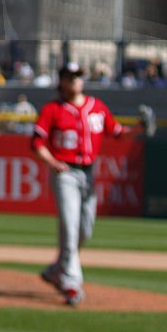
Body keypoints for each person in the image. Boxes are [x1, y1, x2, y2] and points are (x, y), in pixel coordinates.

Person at [32, 63, 124, 306]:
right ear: (61, 81)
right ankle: (72, 284)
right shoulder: (53, 109)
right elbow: (37, 143)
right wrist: (52, 162)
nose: (76, 81)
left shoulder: (97, 108)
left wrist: (141, 128)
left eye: (78, 77)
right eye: (71, 77)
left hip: (89, 173)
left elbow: (117, 132)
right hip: (65, 173)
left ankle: (55, 271)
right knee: (70, 227)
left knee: (85, 229)